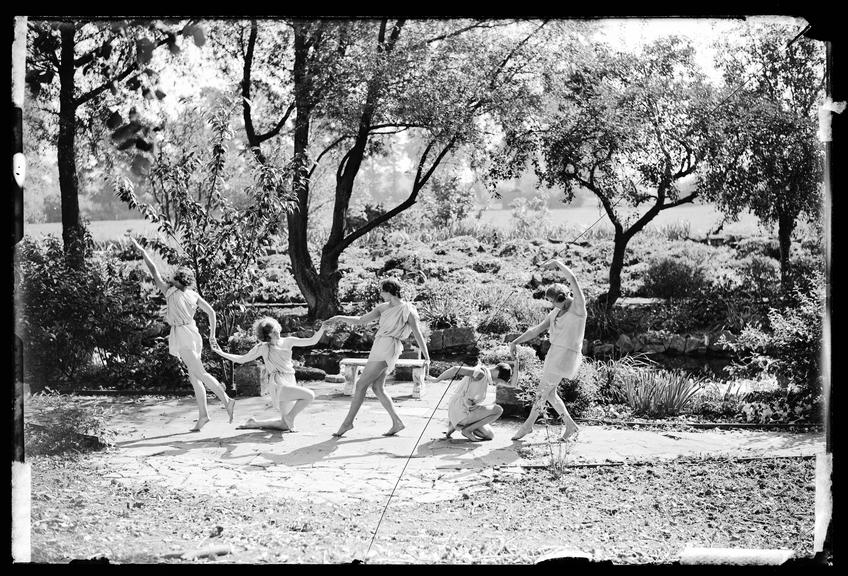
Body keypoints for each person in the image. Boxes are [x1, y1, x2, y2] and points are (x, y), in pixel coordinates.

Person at [130, 237, 235, 431]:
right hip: (193, 333)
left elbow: (153, 269)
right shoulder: (192, 294)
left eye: (174, 277)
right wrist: (212, 335)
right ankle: (203, 416)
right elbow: (211, 312)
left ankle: (226, 400)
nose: (170, 278)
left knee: (200, 374)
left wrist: (141, 250)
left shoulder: (169, 291)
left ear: (179, 281)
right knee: (194, 377)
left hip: (184, 335)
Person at [329, 278, 430, 437]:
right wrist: (339, 317)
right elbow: (361, 320)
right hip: (378, 344)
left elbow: (417, 333)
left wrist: (427, 356)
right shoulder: (382, 307)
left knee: (361, 384)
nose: (380, 294)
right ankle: (397, 422)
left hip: (389, 347)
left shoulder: (408, 310)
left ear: (390, 291)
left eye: (382, 290)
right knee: (377, 388)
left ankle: (347, 423)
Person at [210, 316, 335, 432]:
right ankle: (290, 417)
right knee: (309, 395)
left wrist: (322, 328)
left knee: (284, 425)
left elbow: (312, 341)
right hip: (277, 383)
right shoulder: (264, 347)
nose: (277, 333)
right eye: (273, 332)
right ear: (267, 336)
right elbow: (242, 359)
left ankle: (254, 423)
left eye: (277, 329)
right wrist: (221, 353)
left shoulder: (288, 341)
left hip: (290, 379)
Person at [509, 258, 587, 442]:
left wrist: (557, 263)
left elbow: (573, 279)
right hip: (555, 353)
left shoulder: (578, 307)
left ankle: (527, 426)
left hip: (565, 354)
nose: (558, 303)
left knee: (542, 391)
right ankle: (570, 426)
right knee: (549, 393)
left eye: (559, 299)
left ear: (564, 295)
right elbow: (536, 330)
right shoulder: (555, 313)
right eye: (555, 301)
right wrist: (516, 342)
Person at [436, 362, 511, 441]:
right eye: (499, 381)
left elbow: (513, 384)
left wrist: (517, 363)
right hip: (461, 411)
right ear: (498, 373)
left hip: (462, 411)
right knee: (498, 410)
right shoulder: (481, 374)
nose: (497, 383)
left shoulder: (485, 376)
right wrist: (436, 380)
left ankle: (456, 426)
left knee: (489, 435)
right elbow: (456, 369)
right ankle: (466, 430)